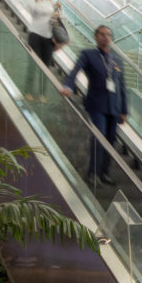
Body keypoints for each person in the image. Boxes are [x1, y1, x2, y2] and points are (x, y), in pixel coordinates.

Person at [59, 25, 128, 186]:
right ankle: (92, 174)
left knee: (110, 141)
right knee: (99, 137)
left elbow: (122, 86)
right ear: (96, 37)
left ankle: (104, 173)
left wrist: (124, 110)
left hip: (114, 108)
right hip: (97, 105)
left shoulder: (116, 60)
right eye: (102, 34)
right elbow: (75, 70)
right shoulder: (88, 55)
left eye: (108, 35)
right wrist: (68, 86)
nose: (106, 37)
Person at [22, 0, 59, 101]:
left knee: (45, 67)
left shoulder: (50, 2)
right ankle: (28, 92)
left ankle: (43, 94)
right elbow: (33, 9)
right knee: (33, 65)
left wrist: (58, 10)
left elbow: (57, 19)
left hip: (48, 37)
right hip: (35, 35)